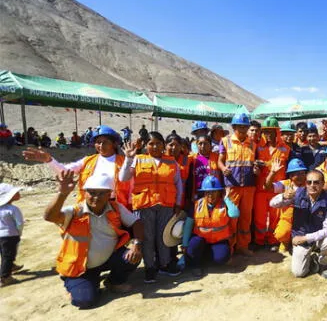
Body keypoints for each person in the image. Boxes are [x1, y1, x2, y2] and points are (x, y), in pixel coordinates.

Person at [44, 172, 143, 309]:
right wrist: (62, 193)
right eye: (92, 192)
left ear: (109, 195)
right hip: (81, 267)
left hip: (108, 258)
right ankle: (73, 281)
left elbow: (136, 223)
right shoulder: (74, 212)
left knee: (133, 256)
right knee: (84, 301)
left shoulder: (116, 208)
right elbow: (50, 217)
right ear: (85, 193)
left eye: (102, 193)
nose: (96, 197)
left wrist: (136, 244)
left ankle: (113, 282)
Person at [120, 132, 184, 283]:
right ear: (145, 145)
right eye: (151, 143)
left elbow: (178, 184)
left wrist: (178, 203)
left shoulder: (171, 162)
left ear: (163, 145)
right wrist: (128, 158)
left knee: (163, 237)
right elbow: (123, 178)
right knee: (147, 238)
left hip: (166, 205)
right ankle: (150, 267)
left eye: (158, 143)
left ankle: (165, 264)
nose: (155, 146)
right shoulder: (137, 160)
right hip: (144, 205)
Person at [23, 125, 130, 207]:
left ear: (114, 144)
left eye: (105, 142)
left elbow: (132, 187)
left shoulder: (125, 162)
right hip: (90, 206)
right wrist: (49, 160)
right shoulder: (87, 161)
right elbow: (65, 171)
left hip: (117, 207)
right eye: (98, 142)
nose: (101, 146)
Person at [217, 113, 258, 256]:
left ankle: (243, 245)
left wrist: (255, 169)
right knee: (232, 218)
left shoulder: (253, 144)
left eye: (245, 126)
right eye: (239, 126)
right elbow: (220, 161)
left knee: (246, 218)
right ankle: (230, 247)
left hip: (248, 186)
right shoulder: (225, 141)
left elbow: (253, 164)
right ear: (234, 127)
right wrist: (223, 169)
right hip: (232, 186)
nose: (242, 129)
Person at [184, 176, 236, 276]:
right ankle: (196, 265)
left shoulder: (224, 203)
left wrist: (227, 199)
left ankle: (204, 258)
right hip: (200, 240)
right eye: (207, 192)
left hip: (218, 241)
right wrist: (185, 244)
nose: (210, 195)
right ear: (204, 193)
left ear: (219, 192)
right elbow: (188, 225)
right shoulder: (197, 204)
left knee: (222, 258)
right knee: (195, 244)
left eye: (214, 192)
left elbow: (234, 214)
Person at [289, 170, 327, 279]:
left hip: (313, 238)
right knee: (299, 273)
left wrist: (306, 238)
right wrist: (283, 197)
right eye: (309, 182)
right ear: (305, 183)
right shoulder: (297, 194)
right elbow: (273, 204)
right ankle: (311, 258)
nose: (312, 185)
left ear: (323, 184)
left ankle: (323, 263)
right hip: (300, 236)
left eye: (316, 182)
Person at [253, 117, 290, 251]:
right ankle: (259, 240)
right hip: (261, 187)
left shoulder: (285, 149)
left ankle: (273, 240)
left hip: (277, 188)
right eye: (266, 131)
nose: (268, 134)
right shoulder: (258, 148)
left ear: (277, 132)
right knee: (260, 217)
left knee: (275, 216)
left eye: (271, 131)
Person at [269, 158, 308, 252]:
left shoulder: (309, 183)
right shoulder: (285, 184)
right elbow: (268, 187)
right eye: (297, 174)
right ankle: (286, 242)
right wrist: (272, 173)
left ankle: (296, 242)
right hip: (288, 219)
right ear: (290, 175)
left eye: (302, 173)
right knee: (281, 234)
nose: (301, 176)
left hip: (305, 219)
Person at [0, 184, 24, 287]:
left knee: (4, 253)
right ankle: (5, 277)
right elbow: (20, 223)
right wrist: (19, 232)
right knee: (8, 255)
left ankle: (11, 266)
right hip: (10, 235)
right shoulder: (13, 209)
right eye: (15, 193)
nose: (18, 194)